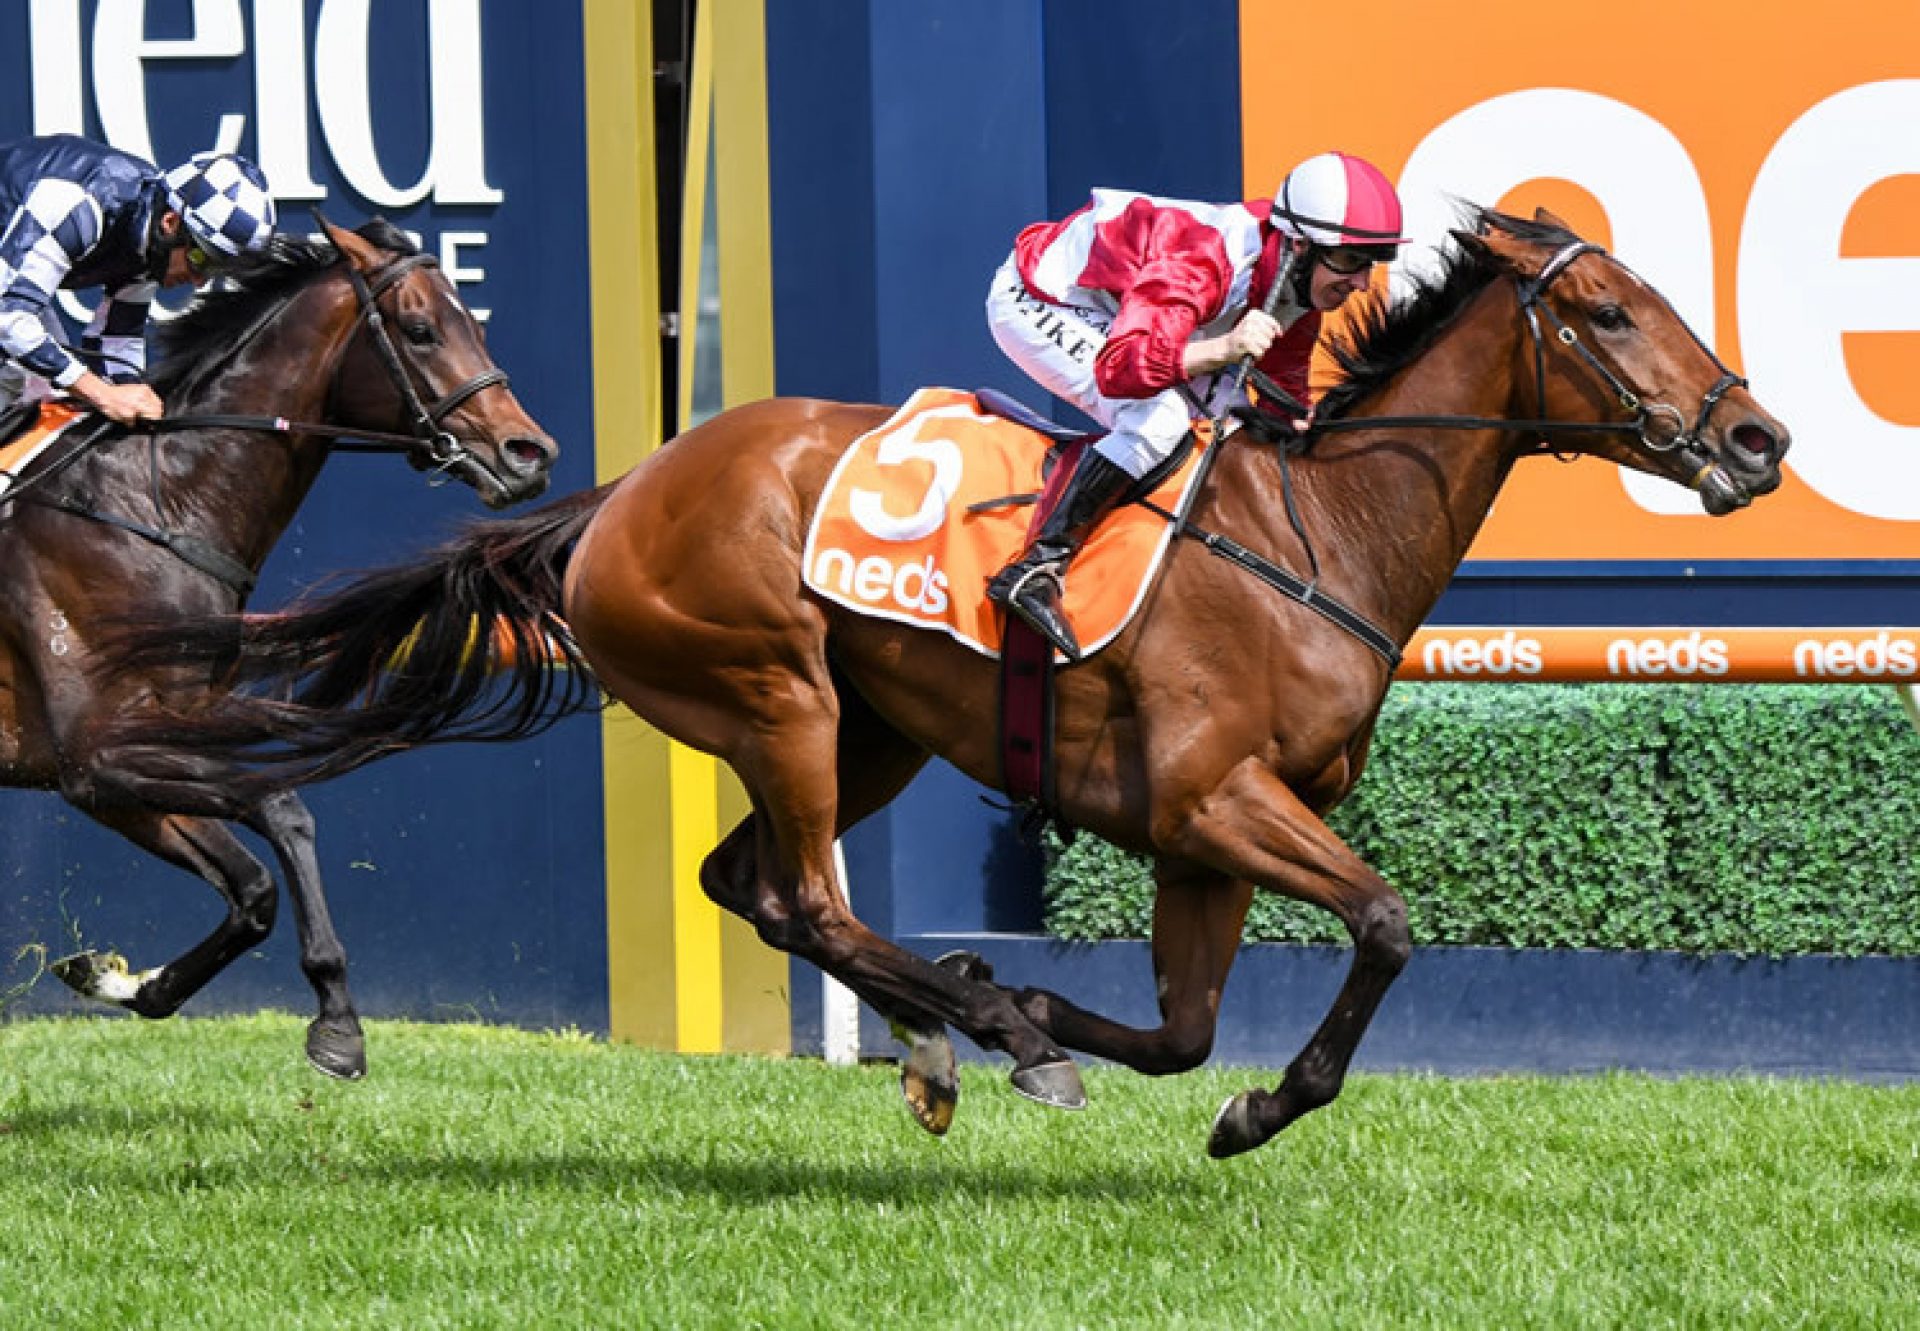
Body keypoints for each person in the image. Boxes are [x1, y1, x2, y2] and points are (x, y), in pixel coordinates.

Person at [983, 150, 1409, 661]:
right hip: (1042, 298)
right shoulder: (1202, 258)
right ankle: (1036, 566)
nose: (1362, 283)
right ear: (1299, 246)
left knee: (1231, 425)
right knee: (1157, 421)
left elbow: (1282, 401)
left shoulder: (1296, 283)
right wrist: (1223, 350)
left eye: (1372, 264)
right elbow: (1120, 370)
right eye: (1350, 260)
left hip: (1126, 317)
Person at [0, 134, 277, 428]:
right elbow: (9, 318)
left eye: (215, 271)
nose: (198, 282)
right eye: (201, 260)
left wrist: (138, 403)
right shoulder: (79, 203)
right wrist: (104, 395)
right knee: (18, 376)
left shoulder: (152, 239)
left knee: (53, 397)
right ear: (170, 223)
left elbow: (114, 343)